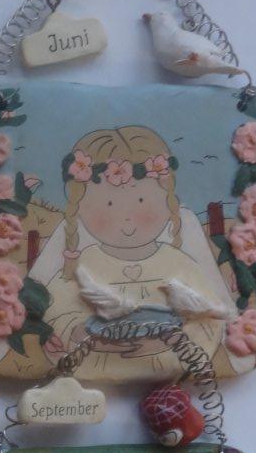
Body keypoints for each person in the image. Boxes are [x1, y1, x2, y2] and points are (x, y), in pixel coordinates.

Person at [29, 125, 240, 381]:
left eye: (141, 201)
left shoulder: (178, 264)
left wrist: (168, 341)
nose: (126, 219)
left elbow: (209, 319)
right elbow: (56, 313)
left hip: (169, 365)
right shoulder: (82, 263)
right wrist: (76, 332)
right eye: (108, 204)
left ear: (168, 201)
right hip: (93, 366)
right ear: (80, 209)